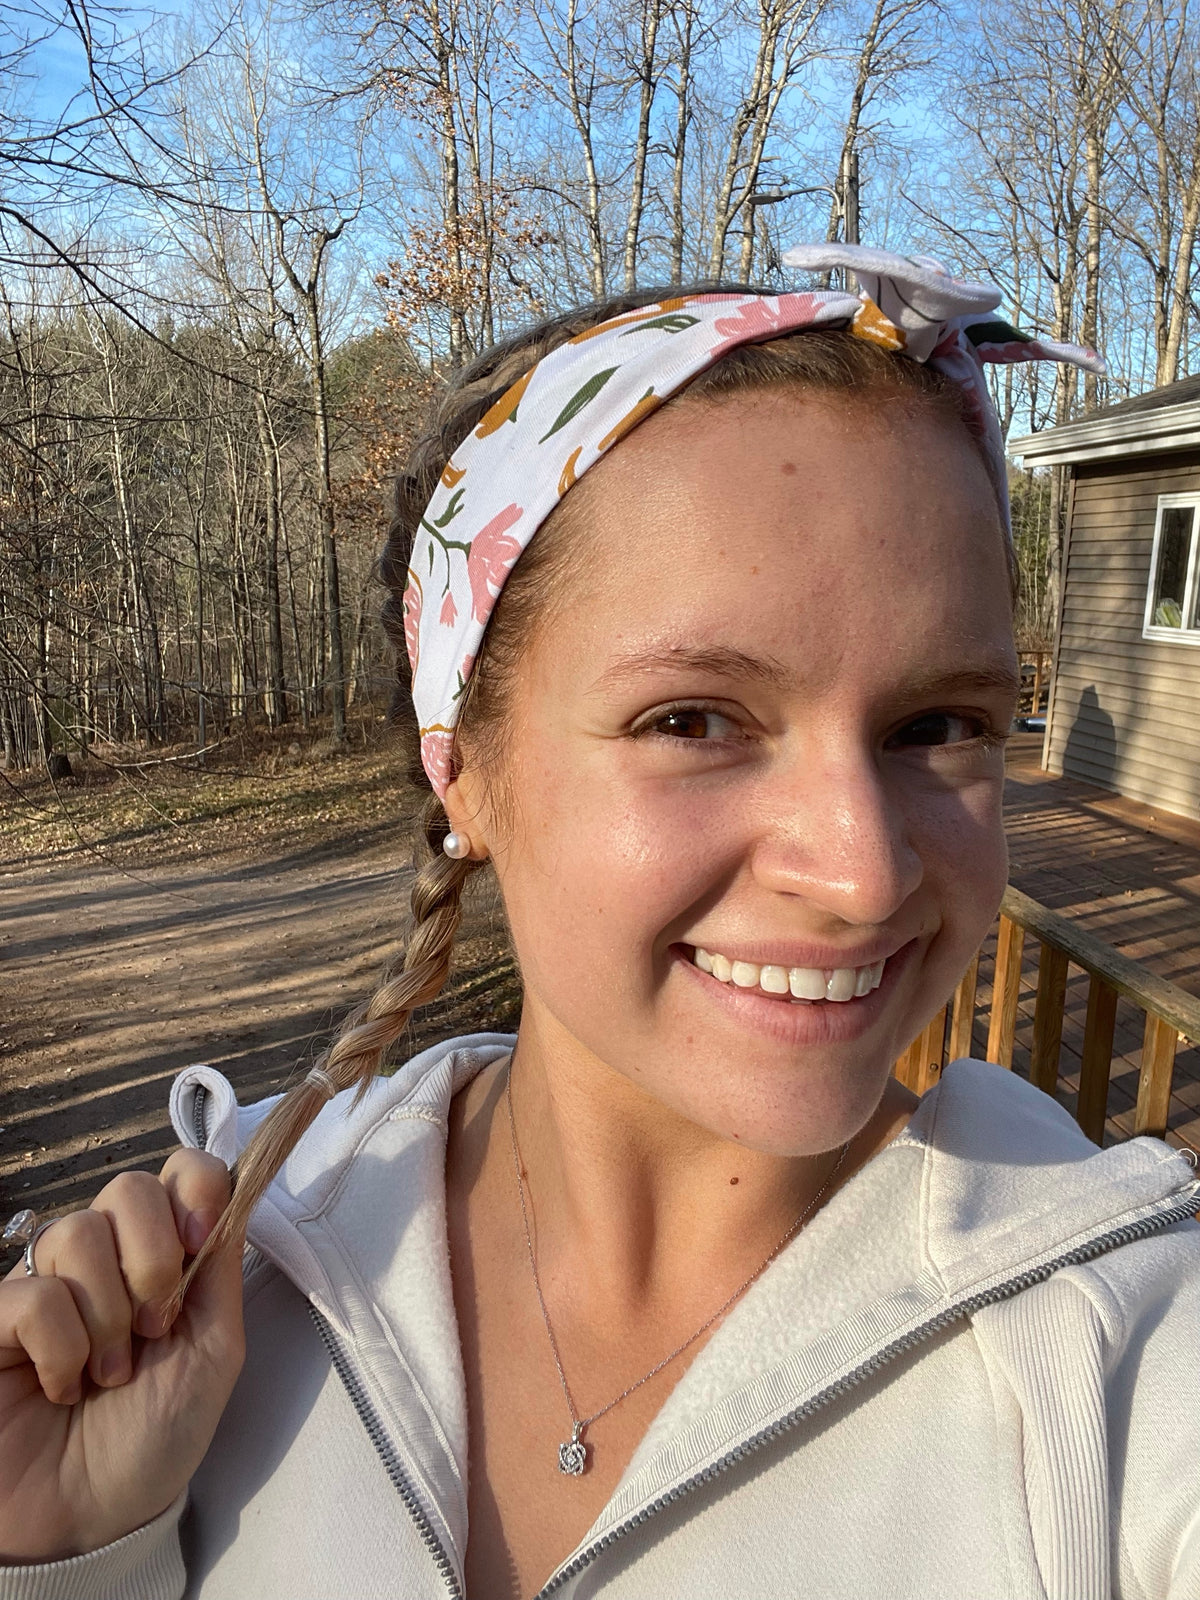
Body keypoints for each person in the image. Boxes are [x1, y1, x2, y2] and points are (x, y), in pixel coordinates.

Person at [2, 243, 1198, 1600]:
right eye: (693, 720)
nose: (863, 873)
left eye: (939, 727)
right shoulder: (236, 1290)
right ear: (468, 769)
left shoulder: (1123, 1365)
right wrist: (72, 1559)